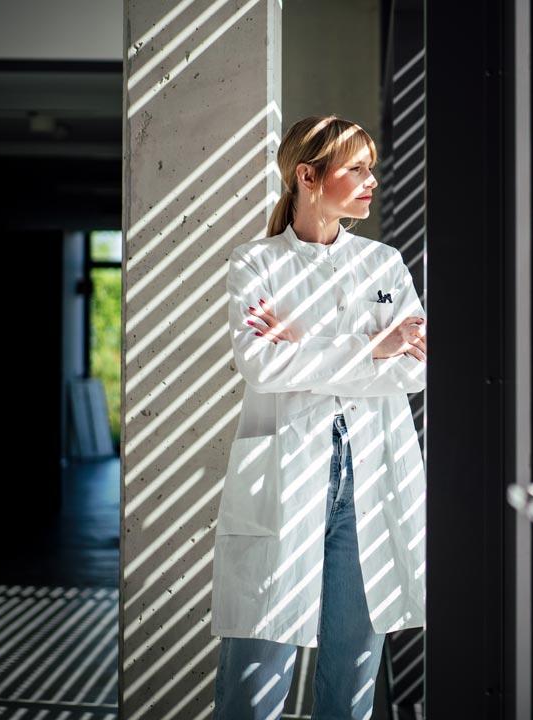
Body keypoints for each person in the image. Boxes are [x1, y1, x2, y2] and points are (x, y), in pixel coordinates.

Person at [210, 115, 428, 719]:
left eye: (371, 168)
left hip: (373, 480)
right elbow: (262, 366)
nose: (371, 181)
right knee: (255, 683)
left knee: (353, 677)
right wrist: (372, 345)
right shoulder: (255, 262)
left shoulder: (384, 263)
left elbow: (417, 369)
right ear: (308, 176)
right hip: (286, 477)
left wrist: (305, 346)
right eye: (355, 169)